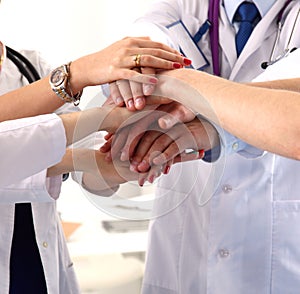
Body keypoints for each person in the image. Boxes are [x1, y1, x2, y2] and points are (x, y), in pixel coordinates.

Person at [104, 1, 300, 293]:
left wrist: (182, 86)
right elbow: (132, 57)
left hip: (281, 263)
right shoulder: (182, 5)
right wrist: (135, 72)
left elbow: (290, 120)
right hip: (185, 264)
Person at [0, 35, 187, 293]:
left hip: (39, 271)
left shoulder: (30, 65)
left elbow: (89, 167)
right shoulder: (57, 76)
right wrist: (79, 73)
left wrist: (120, 160)